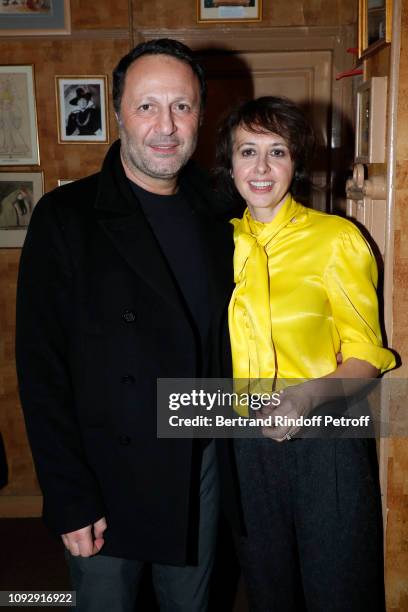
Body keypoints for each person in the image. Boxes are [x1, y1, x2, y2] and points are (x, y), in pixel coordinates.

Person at [16, 38, 237, 612]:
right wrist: (68, 496)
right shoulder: (66, 219)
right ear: (117, 113)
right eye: (147, 107)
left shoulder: (223, 212)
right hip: (106, 476)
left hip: (199, 464)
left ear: (200, 114)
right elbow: (41, 371)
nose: (165, 126)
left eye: (182, 107)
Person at [215, 96, 396, 612]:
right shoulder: (218, 243)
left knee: (338, 588)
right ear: (230, 164)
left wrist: (306, 398)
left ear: (297, 161)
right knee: (267, 589)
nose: (262, 167)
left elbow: (366, 356)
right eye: (247, 151)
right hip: (244, 442)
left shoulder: (337, 239)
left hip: (327, 440)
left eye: (278, 151)